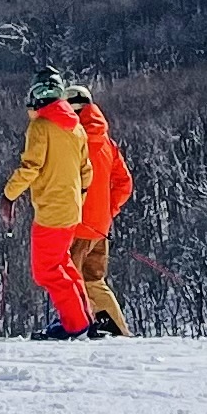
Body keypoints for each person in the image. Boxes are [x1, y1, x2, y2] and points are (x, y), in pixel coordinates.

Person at [0, 65, 95, 337]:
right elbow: (86, 170)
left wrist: (9, 195)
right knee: (62, 262)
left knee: (46, 270)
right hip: (71, 207)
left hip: (52, 210)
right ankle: (82, 317)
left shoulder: (41, 127)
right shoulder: (75, 127)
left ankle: (74, 324)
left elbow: (31, 166)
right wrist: (80, 196)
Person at [63, 80, 135, 336]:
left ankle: (81, 326)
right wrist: (107, 211)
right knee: (94, 280)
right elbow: (124, 184)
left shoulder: (72, 140)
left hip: (75, 224)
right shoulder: (107, 142)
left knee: (69, 280)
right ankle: (117, 330)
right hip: (100, 227)